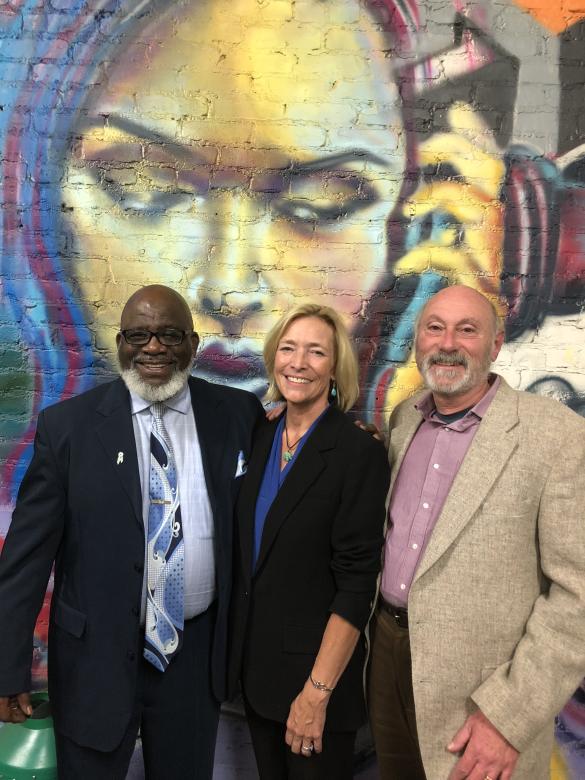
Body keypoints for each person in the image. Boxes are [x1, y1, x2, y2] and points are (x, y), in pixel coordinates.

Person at [0, 284, 264, 779]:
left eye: (169, 334)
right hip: (94, 660)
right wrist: (6, 665)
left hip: (194, 659)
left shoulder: (237, 415)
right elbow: (25, 559)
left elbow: (290, 454)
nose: (154, 347)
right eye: (138, 335)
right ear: (120, 342)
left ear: (193, 343)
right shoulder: (68, 428)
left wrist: (348, 425)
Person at [368, 284, 585, 780]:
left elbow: (578, 599)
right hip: (386, 662)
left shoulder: (556, 437)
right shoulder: (405, 420)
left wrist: (508, 720)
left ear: (496, 344)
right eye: (435, 328)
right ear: (418, 340)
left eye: (467, 330)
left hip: (481, 703)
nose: (448, 343)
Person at [228, 303, 390, 779]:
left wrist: (316, 693)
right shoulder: (261, 435)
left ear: (335, 368)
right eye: (289, 348)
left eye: (316, 352)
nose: (298, 363)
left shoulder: (358, 452)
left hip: (315, 688)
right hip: (258, 679)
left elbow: (357, 586)